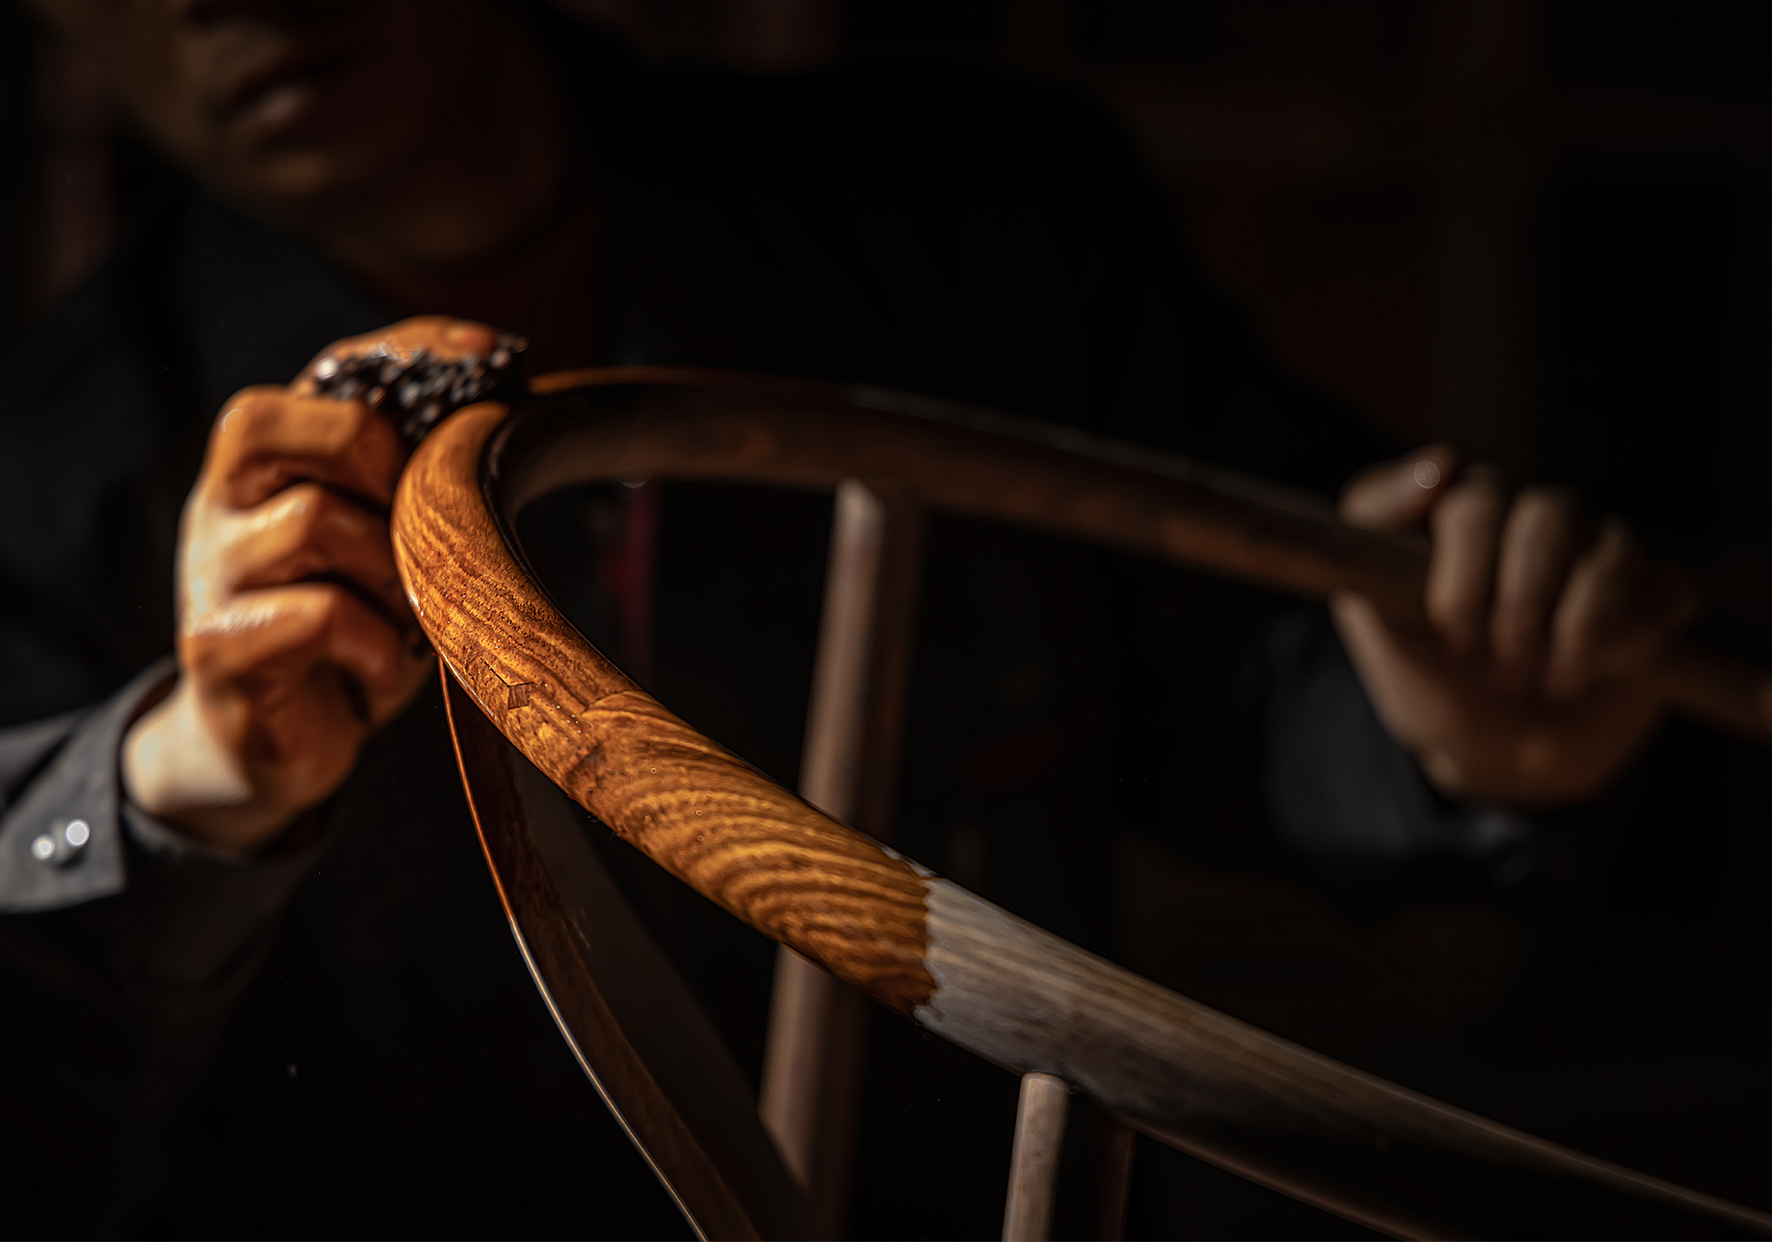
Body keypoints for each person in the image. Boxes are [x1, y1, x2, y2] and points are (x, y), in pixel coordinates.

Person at [0, 0, 1738, 1234]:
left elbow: (1253, 689)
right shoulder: (44, 462)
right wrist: (171, 780)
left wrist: (1465, 731)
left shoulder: (987, 220)